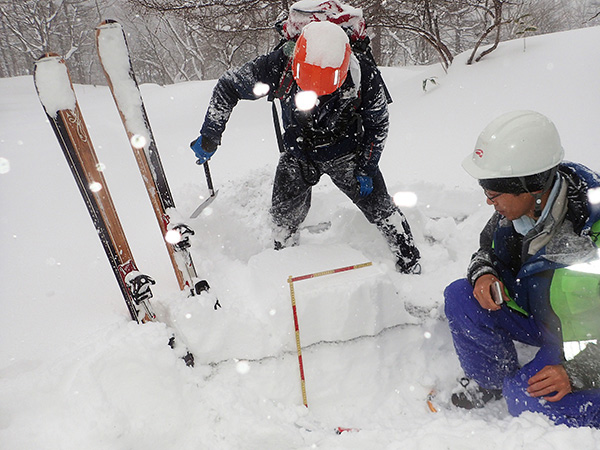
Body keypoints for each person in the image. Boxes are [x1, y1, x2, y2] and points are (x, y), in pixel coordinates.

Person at [189, 21, 420, 274]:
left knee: (381, 208)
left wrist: (367, 166)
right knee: (283, 216)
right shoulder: (279, 64)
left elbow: (378, 125)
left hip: (346, 151)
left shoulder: (364, 74)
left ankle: (409, 260)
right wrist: (211, 134)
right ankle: (286, 265)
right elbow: (229, 86)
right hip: (298, 153)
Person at [445, 110, 600, 427]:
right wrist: (483, 273)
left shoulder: (591, 229)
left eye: (493, 192)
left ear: (530, 185)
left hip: (584, 340)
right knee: (459, 296)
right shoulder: (514, 211)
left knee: (527, 401)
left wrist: (579, 372)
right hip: (537, 317)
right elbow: (484, 251)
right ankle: (493, 382)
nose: (490, 202)